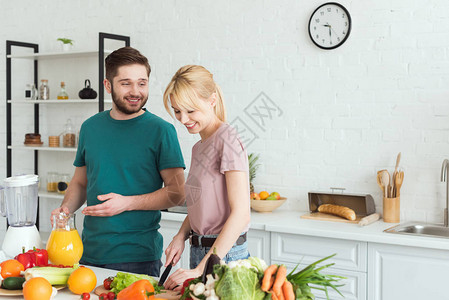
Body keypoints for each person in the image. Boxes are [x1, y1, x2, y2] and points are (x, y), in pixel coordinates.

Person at [50, 47, 186, 277]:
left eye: (142, 83)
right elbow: (81, 183)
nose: (136, 91)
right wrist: (66, 209)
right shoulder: (90, 128)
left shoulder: (161, 131)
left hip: (137, 257)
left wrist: (126, 203)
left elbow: (178, 192)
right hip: (87, 252)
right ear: (108, 85)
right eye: (126, 83)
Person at [162, 65, 251, 290]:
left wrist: (203, 268)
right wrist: (180, 236)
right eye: (177, 111)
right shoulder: (199, 147)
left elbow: (241, 214)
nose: (183, 119)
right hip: (200, 252)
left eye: (190, 111)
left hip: (224, 257)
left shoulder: (227, 140)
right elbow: (200, 206)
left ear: (212, 100)